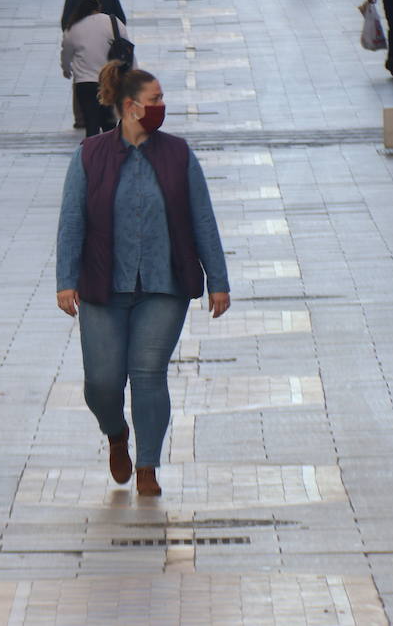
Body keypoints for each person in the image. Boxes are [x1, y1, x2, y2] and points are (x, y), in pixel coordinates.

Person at [56, 63, 231, 497]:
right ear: (131, 107)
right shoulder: (90, 155)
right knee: (101, 382)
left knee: (148, 372)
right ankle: (116, 433)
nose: (161, 107)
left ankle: (148, 466)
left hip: (164, 284)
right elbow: (71, 221)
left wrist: (218, 280)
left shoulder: (178, 154)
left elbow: (202, 219)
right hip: (102, 286)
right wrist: (65, 279)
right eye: (155, 100)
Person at [63, 0, 129, 129]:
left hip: (84, 59)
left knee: (82, 87)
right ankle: (108, 124)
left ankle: (81, 118)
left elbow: (65, 23)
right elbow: (121, 19)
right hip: (107, 57)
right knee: (108, 92)